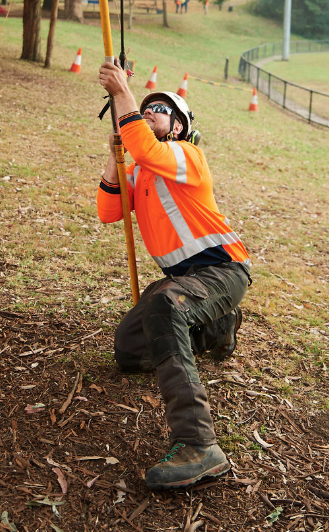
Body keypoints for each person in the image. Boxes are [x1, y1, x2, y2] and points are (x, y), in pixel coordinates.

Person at [97, 61, 251, 490]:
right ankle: (218, 326)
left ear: (179, 127)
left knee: (165, 306)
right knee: (129, 351)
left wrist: (123, 94)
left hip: (223, 269)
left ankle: (199, 445)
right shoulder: (140, 169)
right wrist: (114, 160)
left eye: (160, 110)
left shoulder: (187, 157)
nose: (149, 112)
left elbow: (147, 149)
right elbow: (108, 212)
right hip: (184, 280)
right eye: (144, 109)